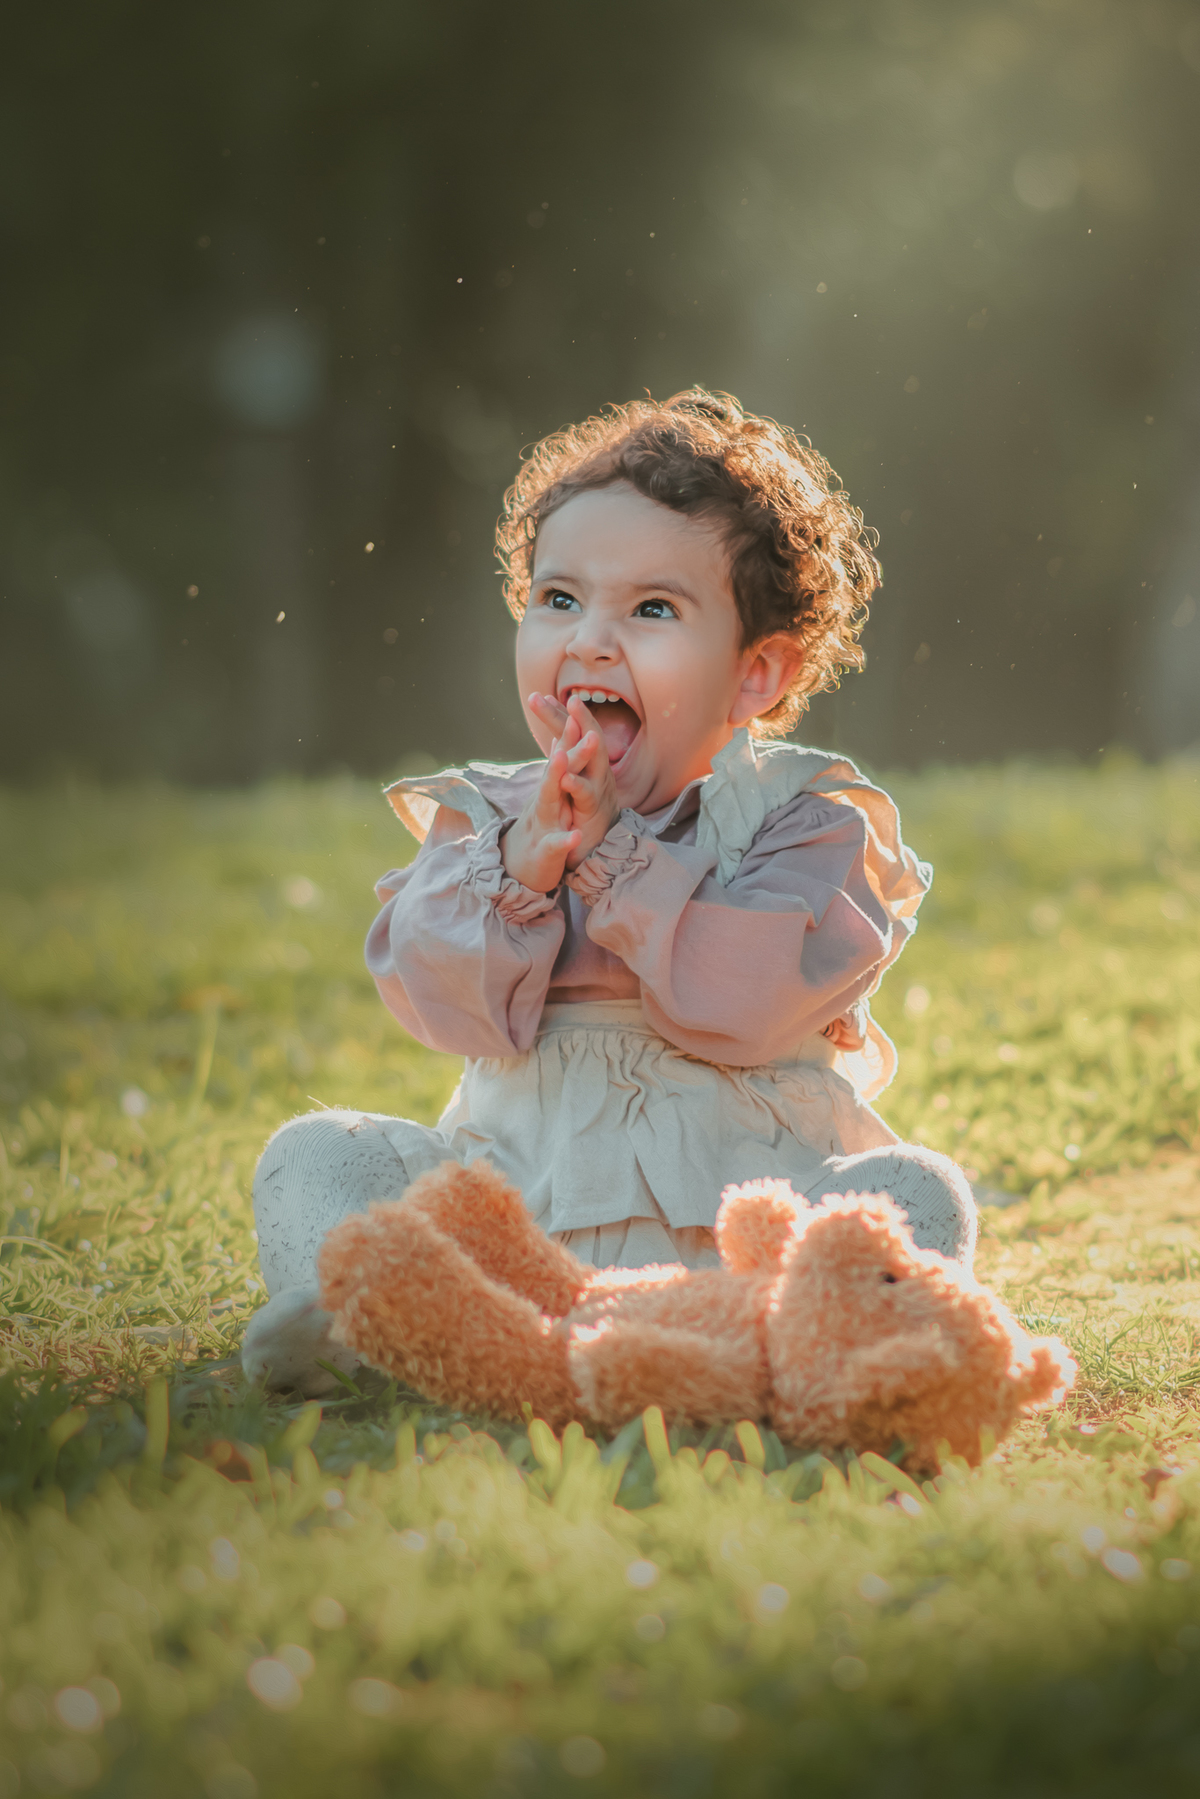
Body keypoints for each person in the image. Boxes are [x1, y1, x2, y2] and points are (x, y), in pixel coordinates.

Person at [242, 389, 977, 1394]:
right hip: (511, 1236)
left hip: (740, 1238)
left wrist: (614, 863)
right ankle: (375, 1313)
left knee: (914, 1191)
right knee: (319, 1151)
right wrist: (531, 864)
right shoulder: (491, 822)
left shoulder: (806, 822)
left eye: (653, 609)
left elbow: (740, 1007)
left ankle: (816, 1344)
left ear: (755, 674)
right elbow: (441, 1002)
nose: (589, 640)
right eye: (559, 598)